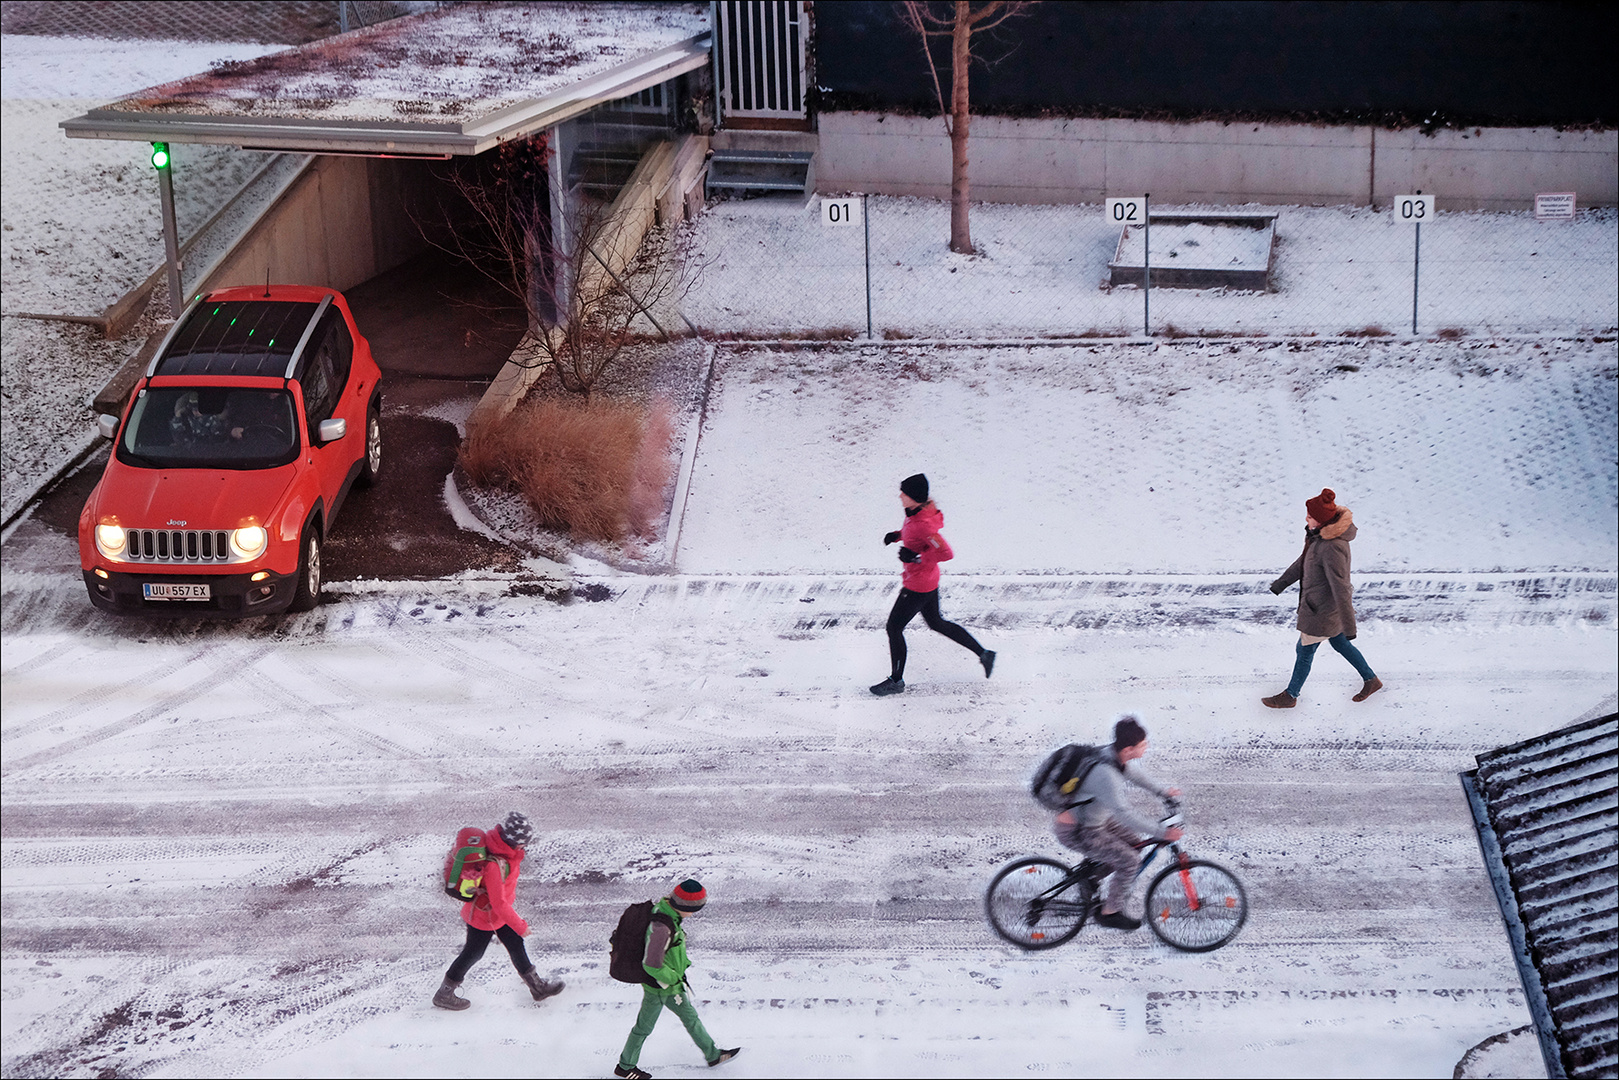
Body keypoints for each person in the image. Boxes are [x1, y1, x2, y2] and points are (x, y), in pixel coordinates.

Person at [869, 473, 995, 696]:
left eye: (904, 493)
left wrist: (915, 558)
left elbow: (946, 553)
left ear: (914, 497)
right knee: (936, 622)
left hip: (918, 585)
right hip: (927, 580)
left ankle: (896, 680)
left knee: (894, 627)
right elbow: (914, 535)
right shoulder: (914, 514)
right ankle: (984, 654)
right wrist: (897, 536)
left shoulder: (924, 524)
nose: (900, 496)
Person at [1053, 717, 1182, 931]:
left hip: (1095, 819)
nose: (1147, 747)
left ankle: (1091, 878)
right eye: (1143, 745)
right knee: (1130, 861)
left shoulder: (1112, 755)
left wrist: (1162, 791)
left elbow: (1132, 773)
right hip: (1078, 830)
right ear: (1129, 749)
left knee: (1134, 845)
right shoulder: (1106, 776)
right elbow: (1125, 815)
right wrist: (1163, 832)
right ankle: (1109, 913)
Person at [1262, 487, 1383, 708]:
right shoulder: (1317, 539)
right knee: (1340, 644)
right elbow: (1303, 562)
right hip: (1320, 607)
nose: (1306, 519)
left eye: (1310, 516)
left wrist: (1350, 625)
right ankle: (1371, 680)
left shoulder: (1331, 547)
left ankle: (1291, 696)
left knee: (1304, 651)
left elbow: (1341, 586)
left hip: (1321, 610)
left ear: (1322, 521)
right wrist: (1281, 584)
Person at [432, 811, 564, 1010]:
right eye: (523, 842)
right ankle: (444, 994)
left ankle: (538, 988)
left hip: (496, 916)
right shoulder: (495, 864)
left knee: (516, 945)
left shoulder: (504, 854)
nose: (525, 846)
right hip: (484, 916)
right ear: (513, 841)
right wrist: (520, 926)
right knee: (473, 953)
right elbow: (499, 903)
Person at [614, 879, 740, 1080]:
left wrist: (681, 967)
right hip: (662, 988)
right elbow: (651, 964)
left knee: (690, 1019)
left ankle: (713, 1055)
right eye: (694, 909)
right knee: (644, 1028)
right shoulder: (662, 926)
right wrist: (672, 978)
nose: (693, 914)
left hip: (668, 985)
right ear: (683, 906)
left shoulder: (668, 913)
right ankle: (625, 1066)